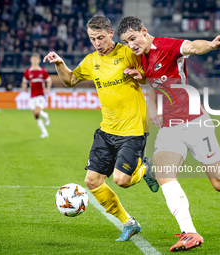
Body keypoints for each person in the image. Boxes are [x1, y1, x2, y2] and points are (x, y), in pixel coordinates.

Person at [118, 16, 220, 252]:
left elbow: (192, 46)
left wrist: (211, 45)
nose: (131, 45)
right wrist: (151, 108)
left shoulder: (167, 46)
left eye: (133, 38)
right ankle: (190, 233)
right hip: (169, 127)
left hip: (195, 122)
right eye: (127, 42)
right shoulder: (141, 57)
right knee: (164, 173)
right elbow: (154, 84)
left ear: (144, 31)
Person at [43, 16, 159, 242]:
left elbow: (150, 76)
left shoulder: (128, 53)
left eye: (100, 38)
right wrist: (59, 63)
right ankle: (129, 223)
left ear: (111, 34)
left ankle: (145, 167)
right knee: (92, 181)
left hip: (133, 130)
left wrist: (142, 76)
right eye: (92, 39)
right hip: (106, 131)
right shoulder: (90, 61)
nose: (97, 42)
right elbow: (69, 81)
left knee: (122, 180)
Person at [21, 53, 52, 138]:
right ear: (31, 60)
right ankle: (44, 132)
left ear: (39, 60)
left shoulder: (43, 70)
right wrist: (24, 87)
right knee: (36, 115)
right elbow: (24, 81)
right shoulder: (27, 71)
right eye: (33, 58)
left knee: (37, 111)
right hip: (32, 96)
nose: (34, 60)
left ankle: (46, 116)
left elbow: (49, 80)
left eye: (36, 59)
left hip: (40, 95)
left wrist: (48, 89)